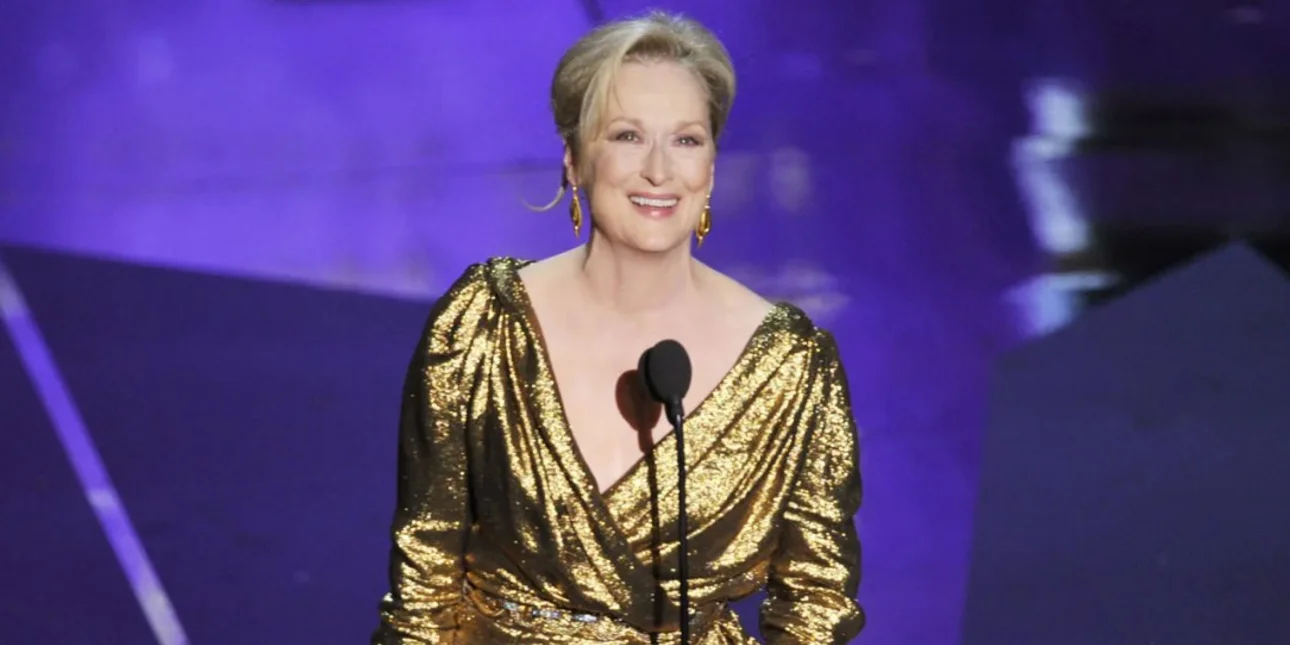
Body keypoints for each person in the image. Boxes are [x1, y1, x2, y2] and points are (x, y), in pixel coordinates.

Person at [370, 10, 864, 644]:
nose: (659, 170)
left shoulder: (791, 364)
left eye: (687, 140)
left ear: (711, 168)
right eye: (628, 136)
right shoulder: (483, 324)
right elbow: (423, 585)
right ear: (574, 159)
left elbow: (817, 602)